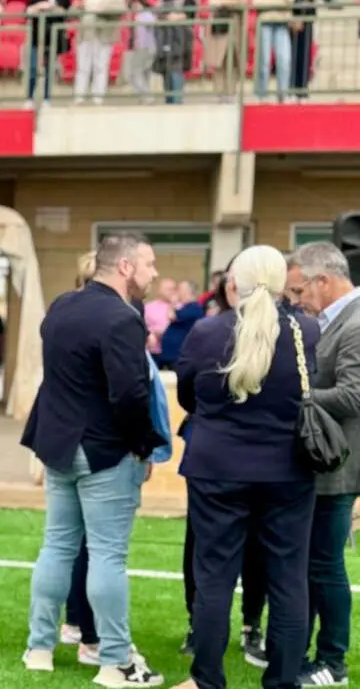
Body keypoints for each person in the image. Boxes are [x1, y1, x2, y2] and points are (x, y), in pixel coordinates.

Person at [22, 233, 166, 687]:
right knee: (106, 555)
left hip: (60, 447)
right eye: (148, 264)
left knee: (57, 547)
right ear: (125, 267)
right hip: (103, 452)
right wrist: (145, 445)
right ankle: (115, 661)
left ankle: (39, 648)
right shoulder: (122, 318)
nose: (154, 273)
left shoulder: (62, 306)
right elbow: (129, 395)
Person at [173, 245, 319, 689]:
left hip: (217, 466)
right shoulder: (307, 332)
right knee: (289, 579)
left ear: (232, 283)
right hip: (288, 470)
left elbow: (187, 396)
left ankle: (206, 679)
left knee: (214, 577)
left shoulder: (207, 331)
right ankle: (283, 680)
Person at [285, 241, 360, 688]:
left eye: (301, 291)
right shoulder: (336, 320)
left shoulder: (354, 324)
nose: (297, 300)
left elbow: (354, 395)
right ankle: (315, 654)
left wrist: (299, 397)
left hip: (339, 465)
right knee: (317, 563)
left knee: (326, 565)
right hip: (327, 462)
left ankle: (333, 661)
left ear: (324, 281)